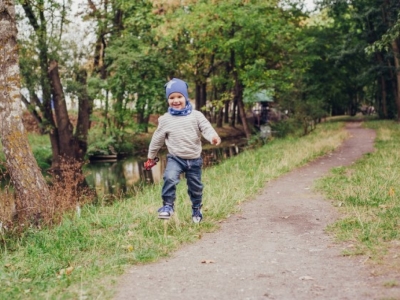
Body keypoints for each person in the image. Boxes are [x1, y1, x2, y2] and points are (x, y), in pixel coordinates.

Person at [144, 78, 221, 223]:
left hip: (194, 159)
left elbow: (206, 127)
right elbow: (157, 139)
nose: (176, 100)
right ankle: (167, 206)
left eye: (179, 96)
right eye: (171, 97)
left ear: (185, 97)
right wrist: (151, 157)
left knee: (195, 187)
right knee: (169, 178)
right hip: (175, 158)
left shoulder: (196, 115)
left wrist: (213, 137)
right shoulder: (165, 119)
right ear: (168, 100)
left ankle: (196, 208)